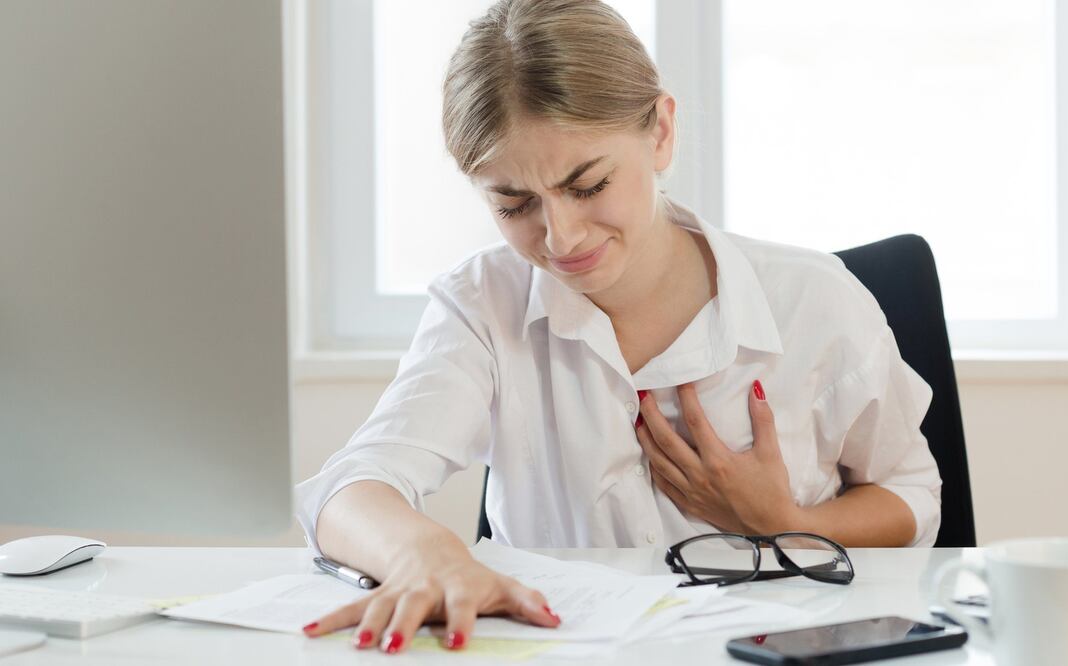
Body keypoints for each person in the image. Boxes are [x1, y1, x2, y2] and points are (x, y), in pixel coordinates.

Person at [295, 0, 942, 654]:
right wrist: (425, 553)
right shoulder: (484, 304)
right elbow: (349, 489)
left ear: (660, 132)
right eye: (514, 204)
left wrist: (787, 523)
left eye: (588, 185)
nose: (561, 237)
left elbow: (912, 492)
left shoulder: (816, 301)